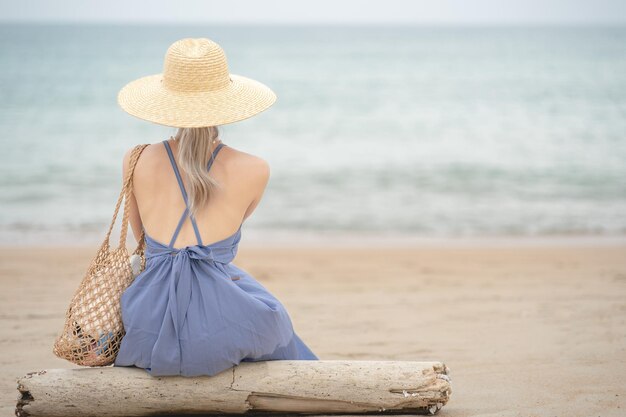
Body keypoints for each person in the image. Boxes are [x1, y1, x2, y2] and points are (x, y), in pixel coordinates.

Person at [112, 38, 319, 377]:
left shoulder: (135, 160)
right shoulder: (256, 169)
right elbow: (225, 238)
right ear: (225, 102)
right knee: (276, 322)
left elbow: (144, 244)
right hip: (214, 330)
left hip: (147, 323)